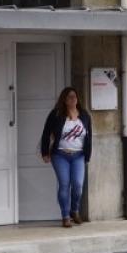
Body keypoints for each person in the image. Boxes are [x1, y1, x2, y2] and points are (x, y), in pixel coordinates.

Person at [39, 87, 92, 228]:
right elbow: (46, 133)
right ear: (64, 99)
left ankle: (74, 210)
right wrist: (45, 152)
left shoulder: (84, 115)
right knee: (64, 184)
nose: (73, 99)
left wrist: (87, 155)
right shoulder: (56, 114)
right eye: (69, 97)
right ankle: (65, 216)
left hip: (78, 155)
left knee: (78, 185)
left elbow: (89, 137)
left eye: (75, 96)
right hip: (60, 155)